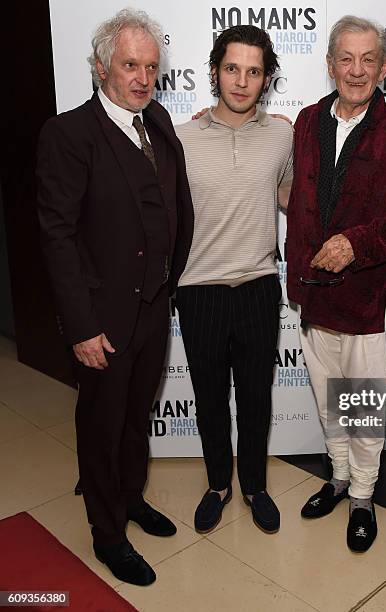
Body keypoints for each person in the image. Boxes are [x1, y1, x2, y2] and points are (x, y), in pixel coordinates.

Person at [36, 8, 194, 585]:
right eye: (131, 65)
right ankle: (107, 532)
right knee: (101, 425)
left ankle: (130, 499)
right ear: (101, 65)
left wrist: (167, 283)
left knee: (135, 418)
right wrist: (80, 325)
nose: (143, 77)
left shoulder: (159, 121)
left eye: (151, 66)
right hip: (101, 318)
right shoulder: (69, 134)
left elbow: (175, 205)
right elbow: (57, 236)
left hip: (153, 307)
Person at [286, 15, 386, 552]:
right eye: (346, 58)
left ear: (384, 67)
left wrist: (356, 244)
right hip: (312, 293)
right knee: (329, 401)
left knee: (364, 406)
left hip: (368, 297)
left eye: (368, 59)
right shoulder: (304, 122)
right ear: (329, 65)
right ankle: (340, 477)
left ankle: (365, 495)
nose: (356, 70)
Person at [175, 25, 293, 535]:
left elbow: (293, 195)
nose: (241, 82)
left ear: (266, 78)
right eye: (231, 69)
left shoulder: (284, 134)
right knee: (207, 397)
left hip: (259, 285)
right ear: (214, 71)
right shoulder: (181, 138)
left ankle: (255, 486)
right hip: (199, 288)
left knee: (255, 397)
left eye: (253, 71)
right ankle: (218, 484)